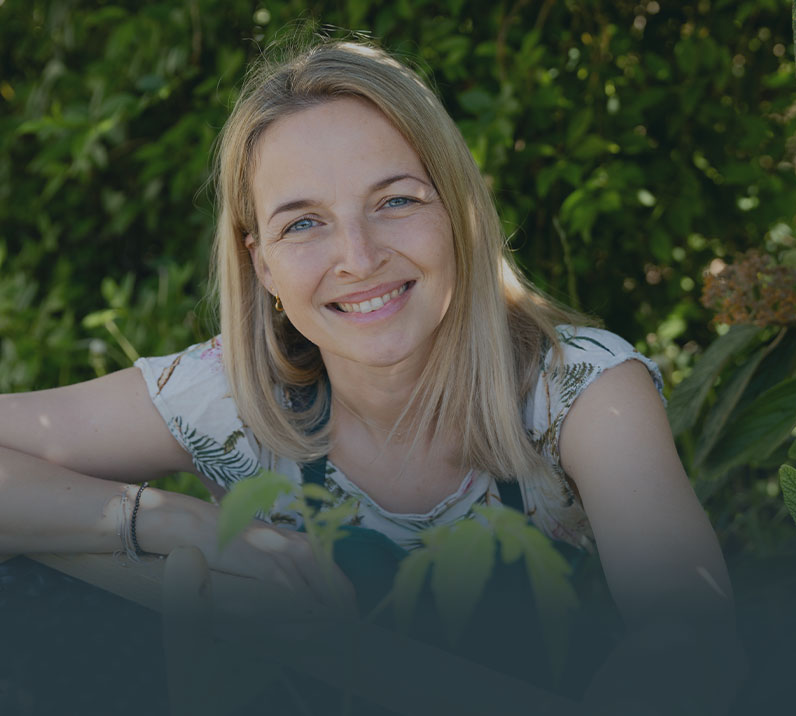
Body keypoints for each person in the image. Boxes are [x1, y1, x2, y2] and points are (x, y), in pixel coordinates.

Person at [0, 38, 733, 637]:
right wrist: (177, 523)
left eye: (396, 200)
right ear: (263, 266)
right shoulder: (232, 401)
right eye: (304, 223)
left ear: (460, 213)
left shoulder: (581, 390)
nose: (358, 256)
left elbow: (691, 642)